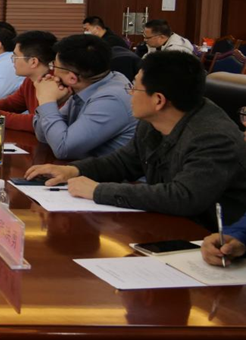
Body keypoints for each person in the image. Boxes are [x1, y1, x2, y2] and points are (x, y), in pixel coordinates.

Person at [25, 51, 246, 229]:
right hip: (166, 222)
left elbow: (184, 197)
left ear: (158, 100)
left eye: (135, 88)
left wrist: (97, 191)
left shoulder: (213, 137)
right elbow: (124, 163)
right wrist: (72, 171)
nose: (129, 94)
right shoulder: (153, 121)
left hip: (210, 238)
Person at [32, 34, 136, 160]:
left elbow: (63, 149)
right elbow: (44, 136)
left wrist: (47, 101)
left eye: (54, 65)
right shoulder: (86, 86)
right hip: (83, 168)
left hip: (113, 172)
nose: (52, 71)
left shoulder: (111, 100)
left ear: (72, 78)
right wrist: (52, 103)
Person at [0, 30, 56, 132]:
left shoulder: (56, 84)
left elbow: (39, 122)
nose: (12, 61)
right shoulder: (30, 81)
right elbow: (11, 104)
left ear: (33, 62)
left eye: (15, 57)